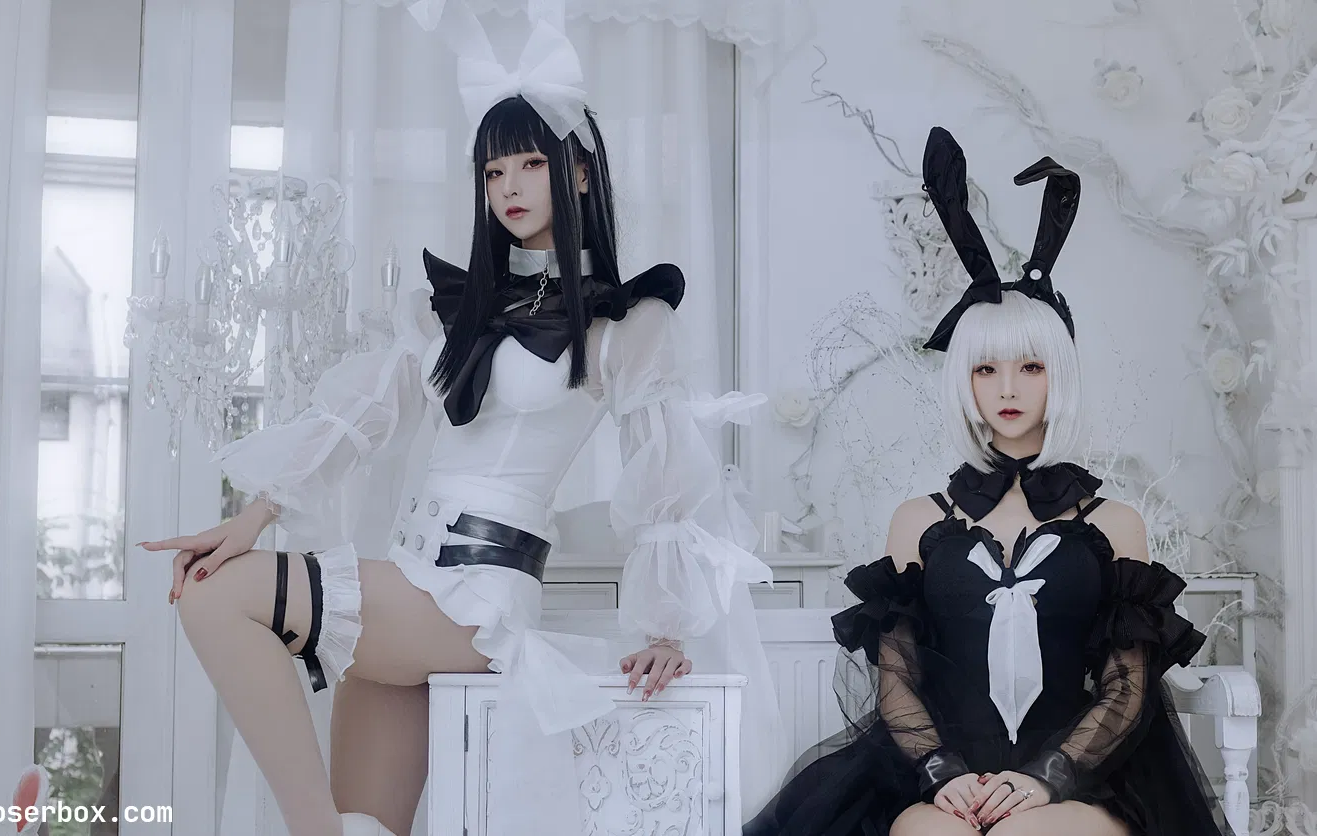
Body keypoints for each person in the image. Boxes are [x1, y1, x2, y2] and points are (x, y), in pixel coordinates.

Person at [141, 11, 781, 836]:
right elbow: (356, 420)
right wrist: (253, 516)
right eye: (492, 171)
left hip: (476, 599)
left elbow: (666, 478)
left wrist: (665, 627)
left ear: (581, 174)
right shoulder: (451, 310)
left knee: (215, 596)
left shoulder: (623, 326)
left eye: (530, 164)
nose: (509, 186)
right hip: (411, 580)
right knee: (369, 823)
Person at [743, 127, 1233, 836]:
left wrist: (1043, 780)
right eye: (986, 368)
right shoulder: (918, 520)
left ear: (1058, 376)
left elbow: (1127, 689)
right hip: (944, 782)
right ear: (963, 380)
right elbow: (897, 679)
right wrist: (943, 775)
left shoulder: (1114, 524)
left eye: (1030, 367)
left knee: (1021, 834)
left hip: (1081, 784)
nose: (1007, 388)